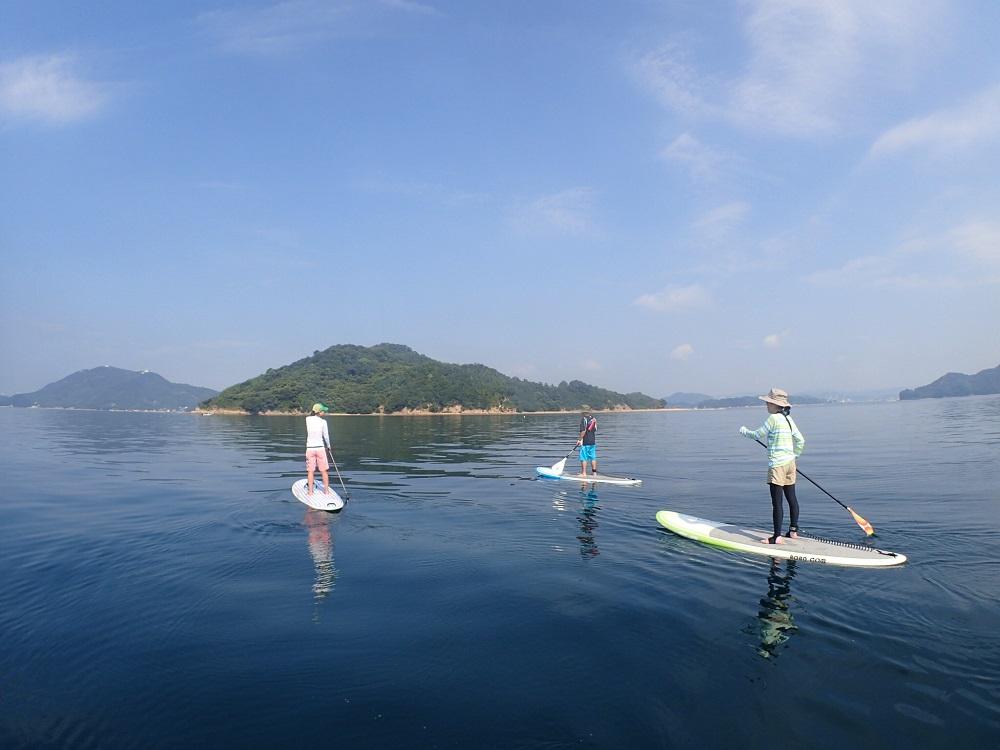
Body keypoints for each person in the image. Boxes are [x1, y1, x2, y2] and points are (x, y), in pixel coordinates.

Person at [739, 388, 805, 545]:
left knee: (777, 502)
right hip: (790, 464)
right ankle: (793, 531)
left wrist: (744, 431)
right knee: (792, 498)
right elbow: (801, 440)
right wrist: (794, 455)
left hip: (777, 465)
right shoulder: (789, 420)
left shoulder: (773, 419)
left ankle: (776, 537)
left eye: (768, 402)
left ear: (775, 405)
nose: (766, 405)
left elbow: (756, 435)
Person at [305, 402, 333, 496]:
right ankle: (326, 491)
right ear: (319, 412)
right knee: (324, 471)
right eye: (323, 411)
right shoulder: (323, 422)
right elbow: (326, 436)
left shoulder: (307, 419)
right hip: (320, 448)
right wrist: (329, 446)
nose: (324, 413)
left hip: (310, 449)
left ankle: (310, 492)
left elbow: (311, 416)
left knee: (310, 471)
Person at [576, 410, 598, 476]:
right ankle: (594, 473)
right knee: (593, 457)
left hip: (585, 442)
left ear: (583, 413)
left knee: (583, 458)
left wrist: (579, 440)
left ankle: (584, 473)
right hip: (592, 441)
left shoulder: (584, 419)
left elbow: (583, 431)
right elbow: (595, 429)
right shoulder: (593, 419)